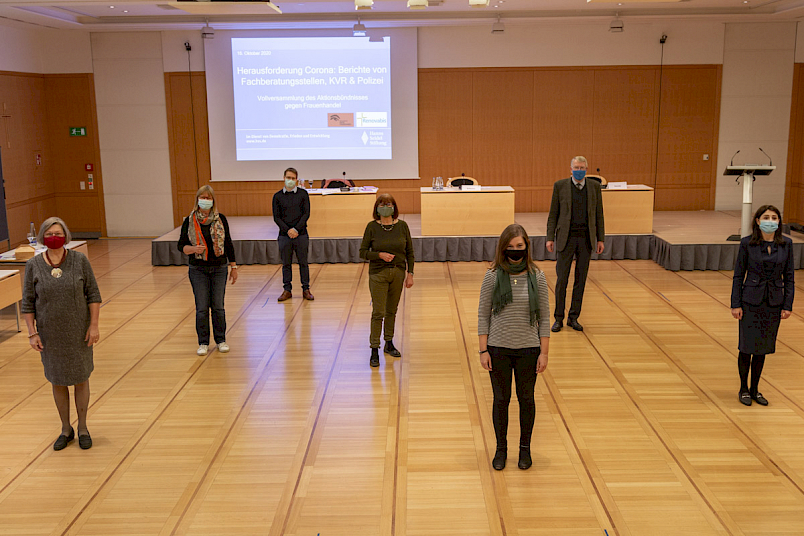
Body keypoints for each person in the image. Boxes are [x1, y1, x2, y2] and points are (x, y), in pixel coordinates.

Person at [22, 217, 101, 450]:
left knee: (80, 378)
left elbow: (93, 295)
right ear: (42, 238)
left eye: (57, 232)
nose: (53, 236)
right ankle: (66, 429)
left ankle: (84, 427)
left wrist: (94, 325)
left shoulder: (79, 261)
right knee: (57, 380)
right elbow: (27, 303)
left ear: (65, 236)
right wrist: (31, 333)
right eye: (49, 233)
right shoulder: (33, 265)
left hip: (79, 332)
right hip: (50, 334)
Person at [478, 224, 550, 471]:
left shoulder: (537, 276)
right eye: (510, 247)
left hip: (528, 350)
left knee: (526, 399)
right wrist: (483, 350)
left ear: (527, 247)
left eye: (520, 246)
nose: (515, 251)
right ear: (503, 248)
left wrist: (544, 352)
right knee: (501, 400)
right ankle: (501, 449)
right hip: (498, 348)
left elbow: (544, 316)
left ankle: (525, 450)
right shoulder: (492, 275)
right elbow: (483, 314)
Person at [731, 205, 795, 406]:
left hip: (774, 302)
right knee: (747, 346)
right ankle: (743, 388)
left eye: (774, 217)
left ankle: (755, 389)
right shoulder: (746, 244)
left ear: (779, 222)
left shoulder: (787, 244)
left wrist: (788, 305)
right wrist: (736, 303)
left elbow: (790, 278)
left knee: (763, 347)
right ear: (758, 221)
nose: (771, 220)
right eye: (766, 217)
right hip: (750, 301)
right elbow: (738, 276)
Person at [546, 155, 605, 332]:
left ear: (587, 169)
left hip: (586, 239)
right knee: (562, 280)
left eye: (582, 168)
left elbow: (599, 215)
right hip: (566, 239)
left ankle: (574, 317)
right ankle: (558, 318)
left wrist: (600, 238)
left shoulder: (594, 187)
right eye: (576, 168)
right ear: (570, 169)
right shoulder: (560, 186)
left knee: (581, 280)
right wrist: (550, 237)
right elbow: (553, 214)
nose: (579, 171)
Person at [178, 185, 238, 357]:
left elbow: (228, 244)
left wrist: (233, 267)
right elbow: (180, 245)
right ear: (197, 200)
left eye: (208, 197)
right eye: (202, 197)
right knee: (202, 307)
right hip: (198, 270)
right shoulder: (189, 221)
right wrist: (192, 249)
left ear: (213, 201)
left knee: (218, 306)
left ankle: (221, 340)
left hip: (219, 268)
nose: (205, 200)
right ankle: (203, 342)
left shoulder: (221, 219)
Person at [359, 194, 414, 367]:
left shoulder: (403, 226)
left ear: (394, 207)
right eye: (382, 204)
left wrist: (410, 273)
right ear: (377, 208)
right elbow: (363, 252)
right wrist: (379, 255)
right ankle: (374, 348)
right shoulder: (371, 227)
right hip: (378, 274)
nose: (385, 207)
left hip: (397, 273)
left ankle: (388, 343)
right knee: (378, 312)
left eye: (388, 204)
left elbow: (409, 252)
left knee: (392, 310)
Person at [273, 167, 313, 302]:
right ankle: (287, 290)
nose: (290, 180)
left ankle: (306, 289)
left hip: (301, 234)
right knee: (286, 264)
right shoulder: (277, 196)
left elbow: (306, 214)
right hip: (284, 235)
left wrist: (296, 229)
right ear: (283, 178)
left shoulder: (303, 194)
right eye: (288, 178)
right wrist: (288, 230)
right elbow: (276, 217)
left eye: (293, 178)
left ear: (297, 180)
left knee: (303, 263)